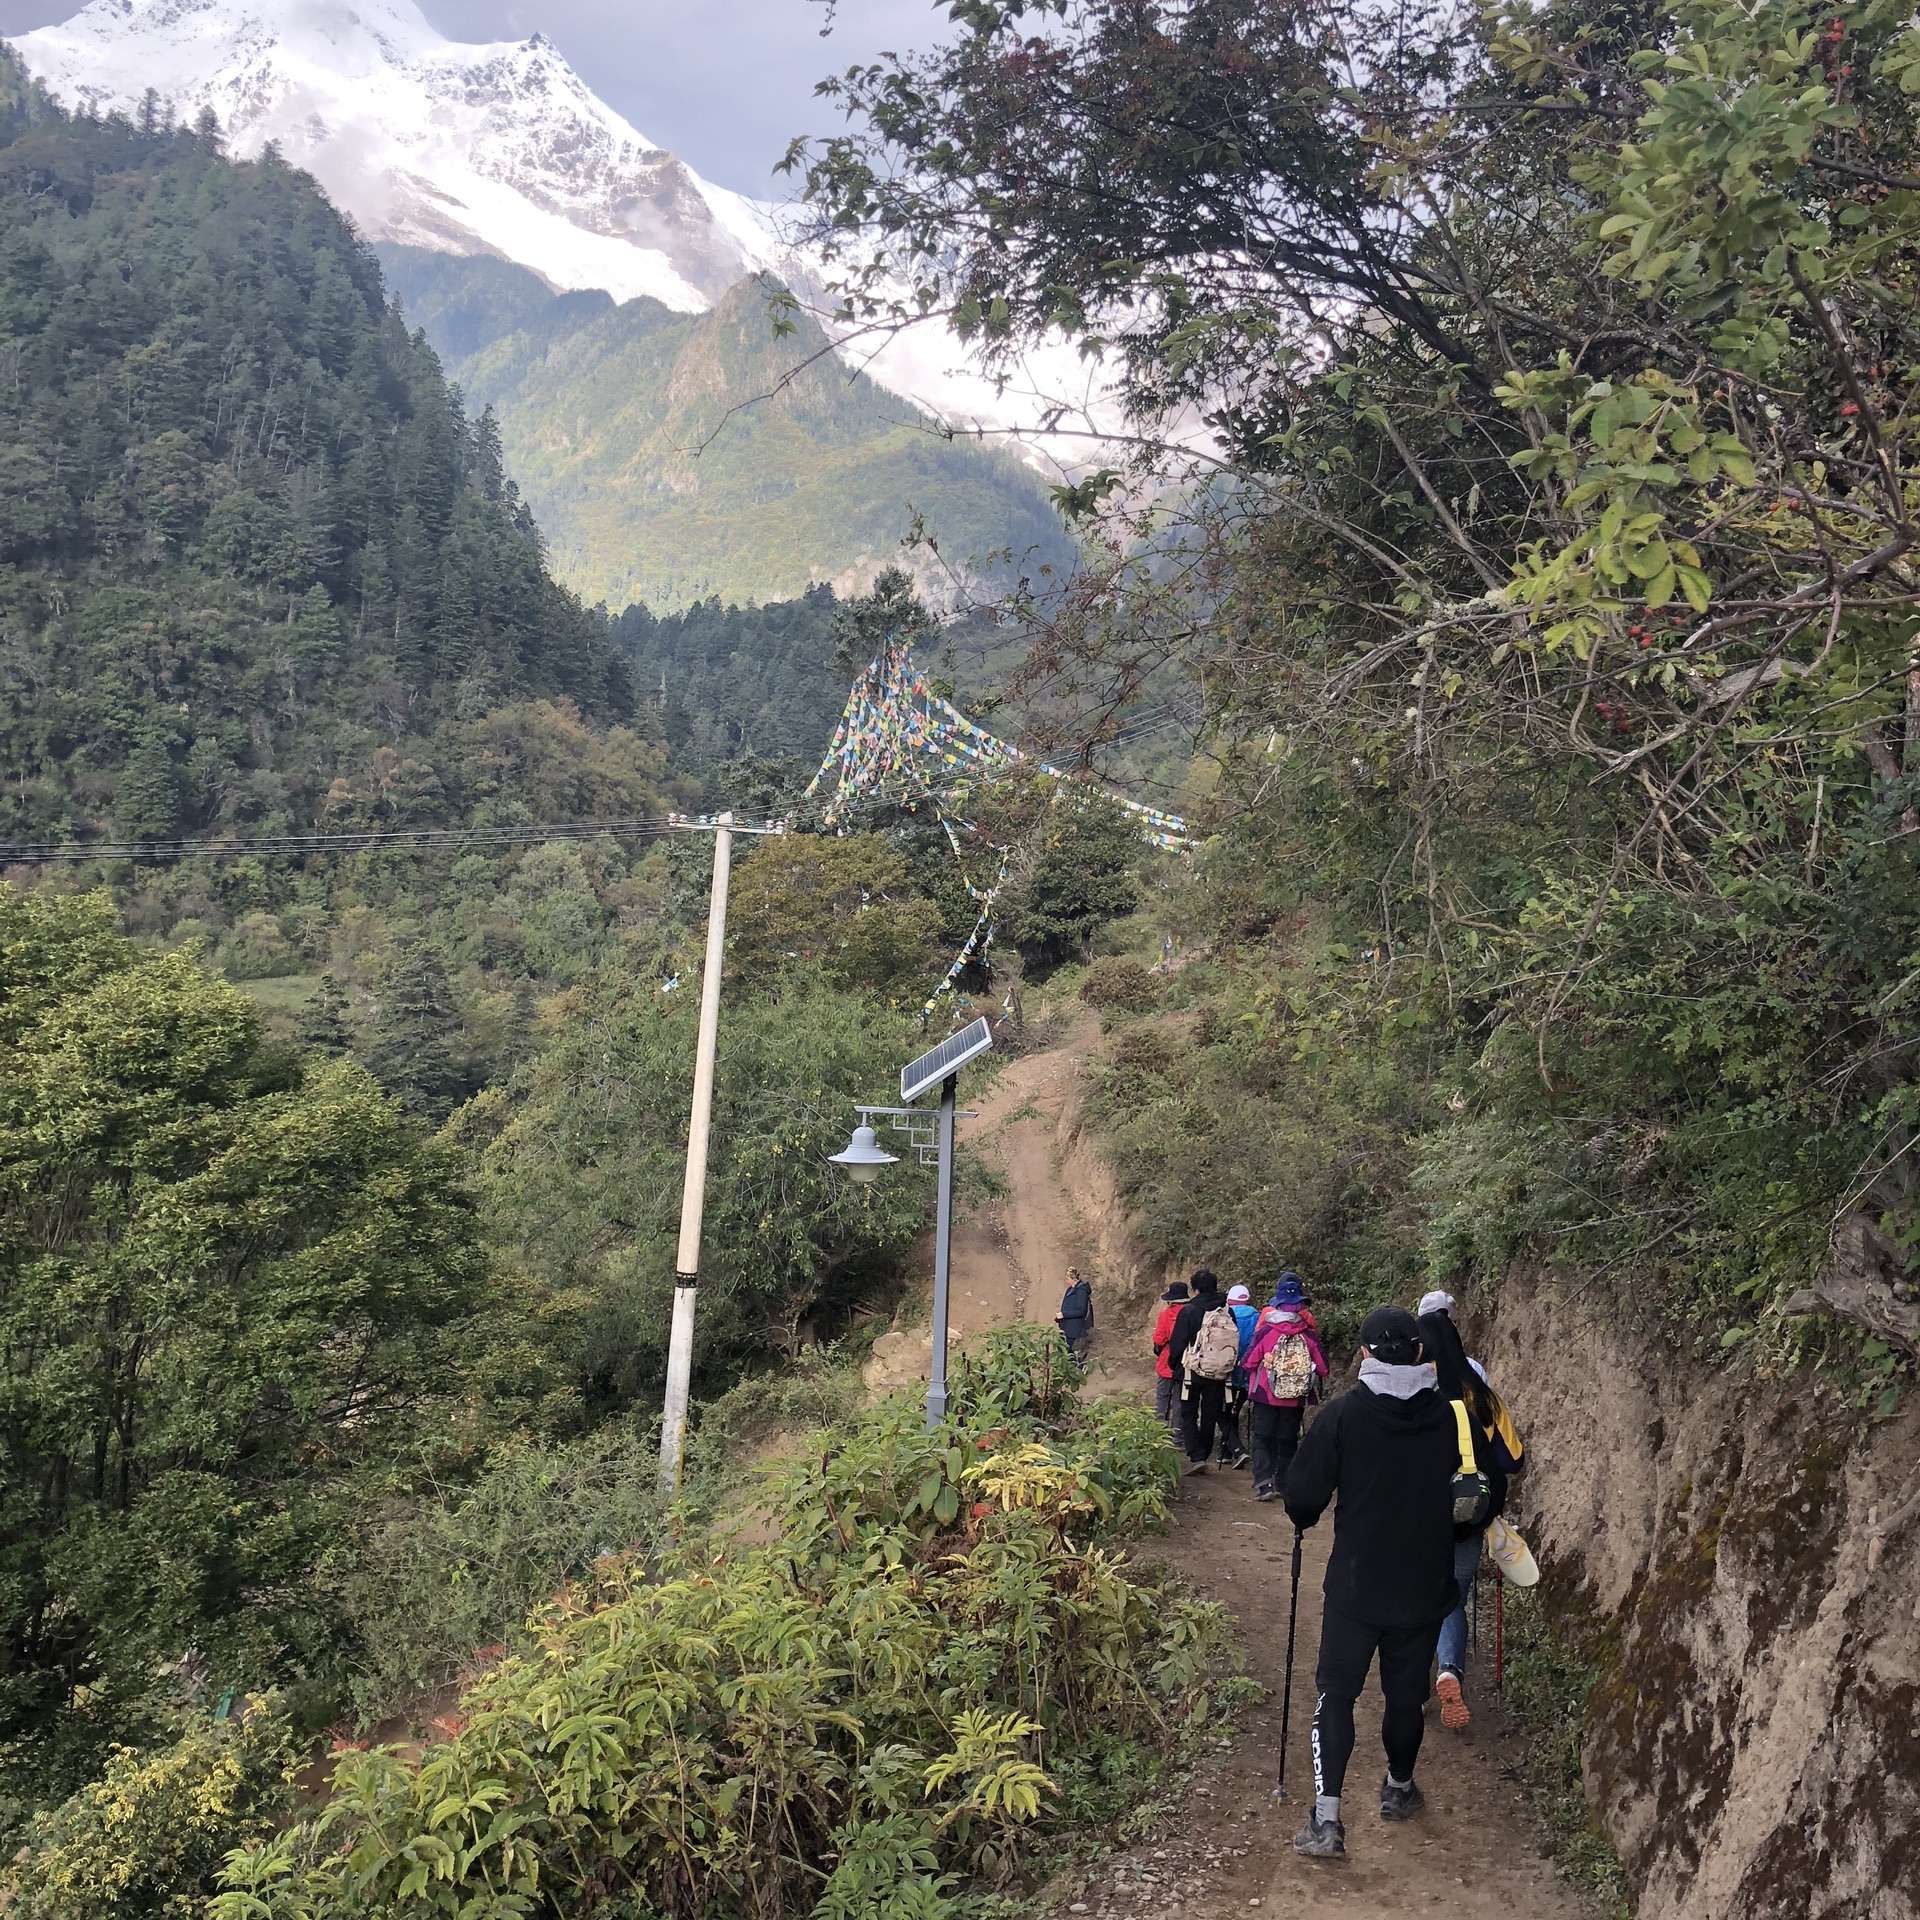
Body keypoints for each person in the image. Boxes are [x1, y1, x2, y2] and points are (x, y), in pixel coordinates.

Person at [1283, 1303, 1459, 1859]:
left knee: (1336, 1694)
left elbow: (1302, 1498)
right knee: (1404, 1700)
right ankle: (1399, 1790)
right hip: (1424, 1584)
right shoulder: (1450, 1417)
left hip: (1357, 1588)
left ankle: (1327, 1822)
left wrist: (1305, 1515)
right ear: (1421, 1353)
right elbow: (1467, 1479)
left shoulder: (1343, 1416)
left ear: (1363, 1355)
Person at [1416, 1289, 1525, 1734]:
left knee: (1416, 1593)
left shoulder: (1416, 1393)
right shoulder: (1484, 1396)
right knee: (1452, 1600)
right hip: (1469, 1515)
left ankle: (1414, 1682)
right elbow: (1513, 1461)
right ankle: (1450, 1672)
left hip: (1420, 1516)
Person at [1244, 1273, 1328, 1500]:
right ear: (1300, 1305)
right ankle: (1283, 1483)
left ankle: (1264, 1484)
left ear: (1277, 1304)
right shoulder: (1308, 1333)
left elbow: (1248, 1362)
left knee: (1262, 1437)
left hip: (1265, 1394)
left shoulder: (1265, 1331)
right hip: (1295, 1397)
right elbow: (1323, 1369)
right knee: (1287, 1440)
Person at [1166, 1269, 1236, 1476]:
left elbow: (1178, 1342)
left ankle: (1196, 1455)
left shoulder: (1190, 1310)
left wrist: (1174, 1364)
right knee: (1210, 1412)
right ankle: (1204, 1453)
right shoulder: (1226, 1310)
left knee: (1188, 1411)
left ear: (1195, 1289)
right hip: (1219, 1371)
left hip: (1192, 1370)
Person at [1218, 1284, 1260, 1467]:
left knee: (1222, 1412)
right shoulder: (1258, 1318)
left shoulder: (1224, 1316)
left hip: (1226, 1372)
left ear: (1229, 1299)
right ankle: (1226, 1452)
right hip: (1248, 1375)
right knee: (1233, 1410)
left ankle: (1237, 1450)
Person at [1151, 1280, 1190, 1427]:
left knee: (1162, 1397)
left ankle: (1159, 1431)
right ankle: (1177, 1435)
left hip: (1167, 1361)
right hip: (1186, 1361)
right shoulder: (1193, 1313)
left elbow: (1159, 1339)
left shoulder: (1166, 1315)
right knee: (1179, 1400)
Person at [1055, 1267, 1094, 1363]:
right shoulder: (1071, 1289)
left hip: (1074, 1329)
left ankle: (1079, 1368)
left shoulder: (1081, 1292)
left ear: (1073, 1279)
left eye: (1068, 1279)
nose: (1066, 1281)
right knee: (1063, 1349)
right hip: (1067, 1327)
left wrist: (1064, 1315)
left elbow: (1081, 1311)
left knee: (1067, 1352)